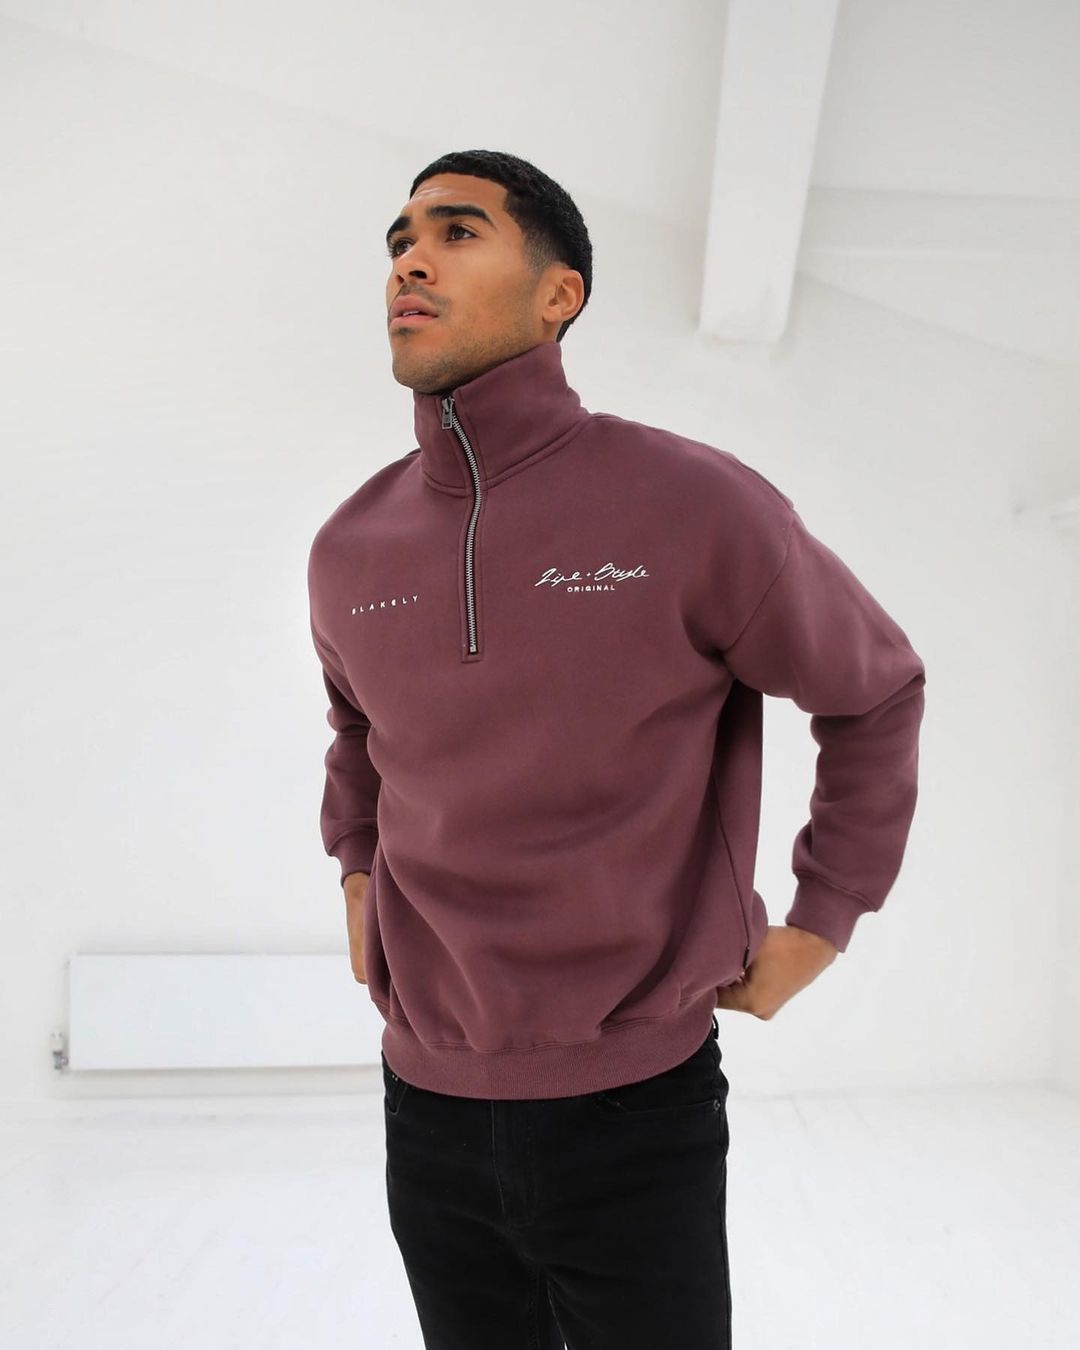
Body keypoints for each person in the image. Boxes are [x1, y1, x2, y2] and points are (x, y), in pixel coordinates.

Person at [307, 148, 926, 1350]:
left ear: (560, 295)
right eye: (398, 241)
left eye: (457, 231)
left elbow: (876, 690)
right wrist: (357, 868)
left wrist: (824, 917)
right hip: (425, 1104)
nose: (410, 261)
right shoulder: (349, 546)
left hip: (636, 1108)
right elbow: (357, 734)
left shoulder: (692, 504)